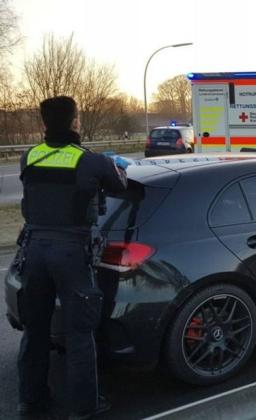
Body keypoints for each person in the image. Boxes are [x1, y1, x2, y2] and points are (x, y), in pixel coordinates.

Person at [16, 96, 128, 419]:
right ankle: (84, 408)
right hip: (71, 253)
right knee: (80, 333)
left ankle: (30, 403)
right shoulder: (89, 161)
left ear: (43, 124)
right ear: (75, 122)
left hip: (34, 250)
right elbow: (119, 186)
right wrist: (115, 165)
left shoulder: (29, 157)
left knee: (35, 330)